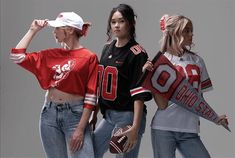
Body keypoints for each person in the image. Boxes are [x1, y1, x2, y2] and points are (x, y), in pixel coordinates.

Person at [10, 12, 98, 158]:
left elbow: (91, 96)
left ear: (69, 30)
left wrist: (81, 129)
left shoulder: (89, 57)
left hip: (75, 116)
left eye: (57, 28)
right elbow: (17, 56)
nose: (54, 31)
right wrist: (33, 30)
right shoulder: (50, 54)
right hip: (49, 115)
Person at [143, 14, 229, 158]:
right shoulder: (160, 62)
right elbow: (162, 105)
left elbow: (198, 98)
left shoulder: (197, 61)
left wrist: (215, 117)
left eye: (191, 30)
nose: (191, 34)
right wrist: (149, 76)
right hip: (163, 127)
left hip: (189, 129)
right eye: (186, 30)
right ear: (174, 32)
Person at [90, 4, 152, 158]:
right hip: (109, 115)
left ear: (131, 23)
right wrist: (95, 113)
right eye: (113, 22)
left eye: (121, 21)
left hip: (128, 115)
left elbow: (139, 94)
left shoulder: (137, 53)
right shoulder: (107, 48)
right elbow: (101, 84)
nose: (116, 25)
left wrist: (135, 127)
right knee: (90, 152)